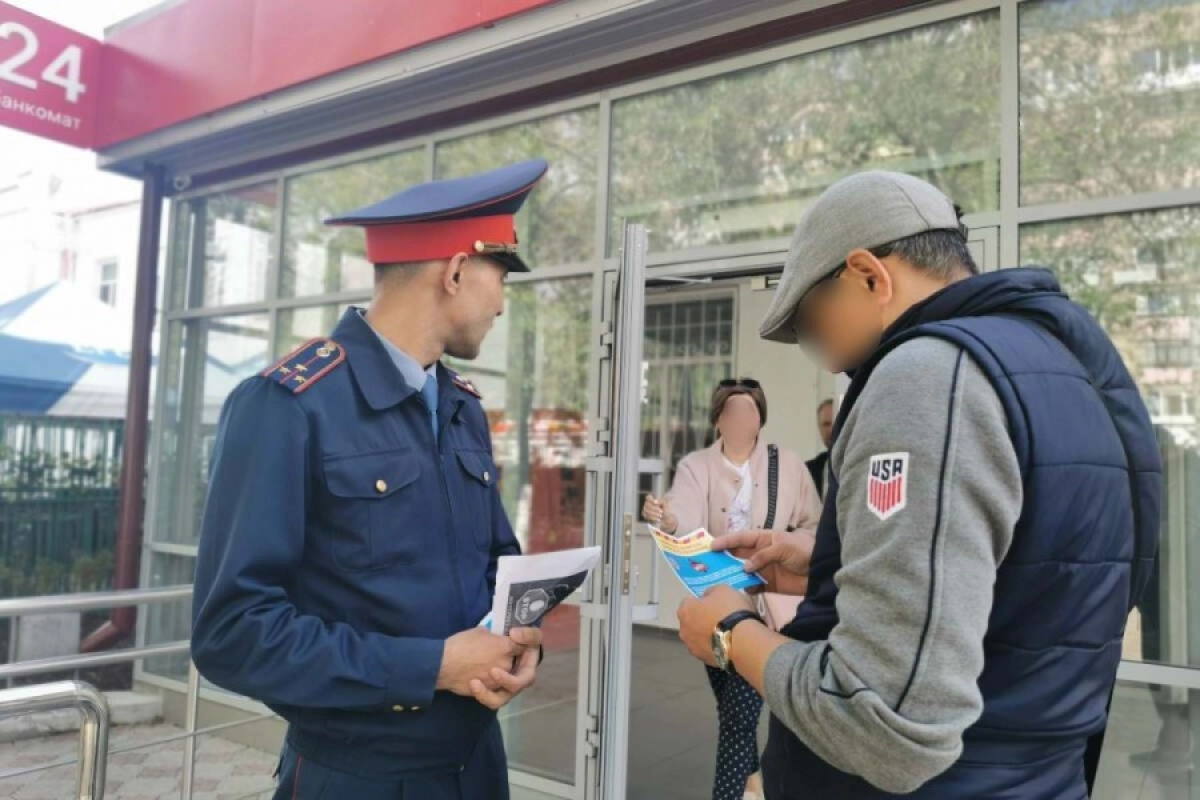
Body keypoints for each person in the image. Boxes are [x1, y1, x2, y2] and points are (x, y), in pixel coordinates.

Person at [676, 171, 1162, 798]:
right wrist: (842, 563)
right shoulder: (1071, 367)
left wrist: (729, 634)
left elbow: (886, 724)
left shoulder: (925, 377)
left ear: (869, 276)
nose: (826, 359)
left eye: (815, 325)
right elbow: (1042, 586)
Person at [190, 160, 552, 800]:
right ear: (457, 270)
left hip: (477, 766)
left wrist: (518, 640)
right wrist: (433, 668)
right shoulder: (289, 405)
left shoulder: (463, 407)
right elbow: (233, 634)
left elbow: (495, 561)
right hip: (358, 778)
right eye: (501, 278)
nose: (500, 303)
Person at [643, 379, 820, 800]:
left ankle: (732, 793)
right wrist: (666, 518)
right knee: (732, 707)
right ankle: (754, 781)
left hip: (762, 604)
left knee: (739, 714)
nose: (742, 419)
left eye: (750, 410)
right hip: (717, 603)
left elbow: (815, 527)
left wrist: (786, 547)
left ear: (760, 417)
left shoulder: (787, 465)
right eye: (732, 411)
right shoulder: (697, 466)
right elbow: (681, 513)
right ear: (718, 419)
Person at [804, 399, 834, 497]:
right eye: (826, 424)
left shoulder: (860, 464)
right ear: (819, 428)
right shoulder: (807, 471)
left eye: (835, 423)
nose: (831, 430)